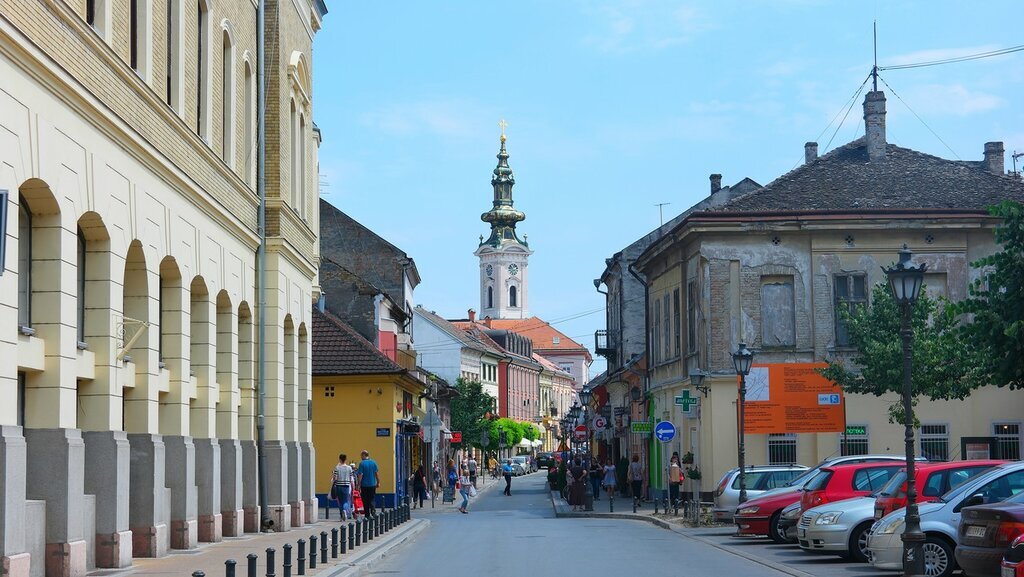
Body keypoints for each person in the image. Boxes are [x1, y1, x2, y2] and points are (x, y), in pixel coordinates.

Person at [356, 450, 379, 518]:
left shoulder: (362, 463)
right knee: (372, 498)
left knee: (365, 500)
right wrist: (378, 482)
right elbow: (376, 474)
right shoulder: (374, 463)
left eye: (361, 455)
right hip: (372, 484)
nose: (361, 457)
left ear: (364, 455)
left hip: (364, 485)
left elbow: (360, 475)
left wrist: (358, 485)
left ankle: (367, 514)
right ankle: (373, 510)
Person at [330, 453, 353, 520]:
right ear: (345, 459)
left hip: (339, 486)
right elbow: (351, 478)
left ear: (339, 459)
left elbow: (335, 478)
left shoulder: (337, 468)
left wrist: (333, 476)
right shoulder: (349, 468)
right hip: (346, 486)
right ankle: (345, 511)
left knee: (340, 501)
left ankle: (341, 515)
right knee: (345, 501)